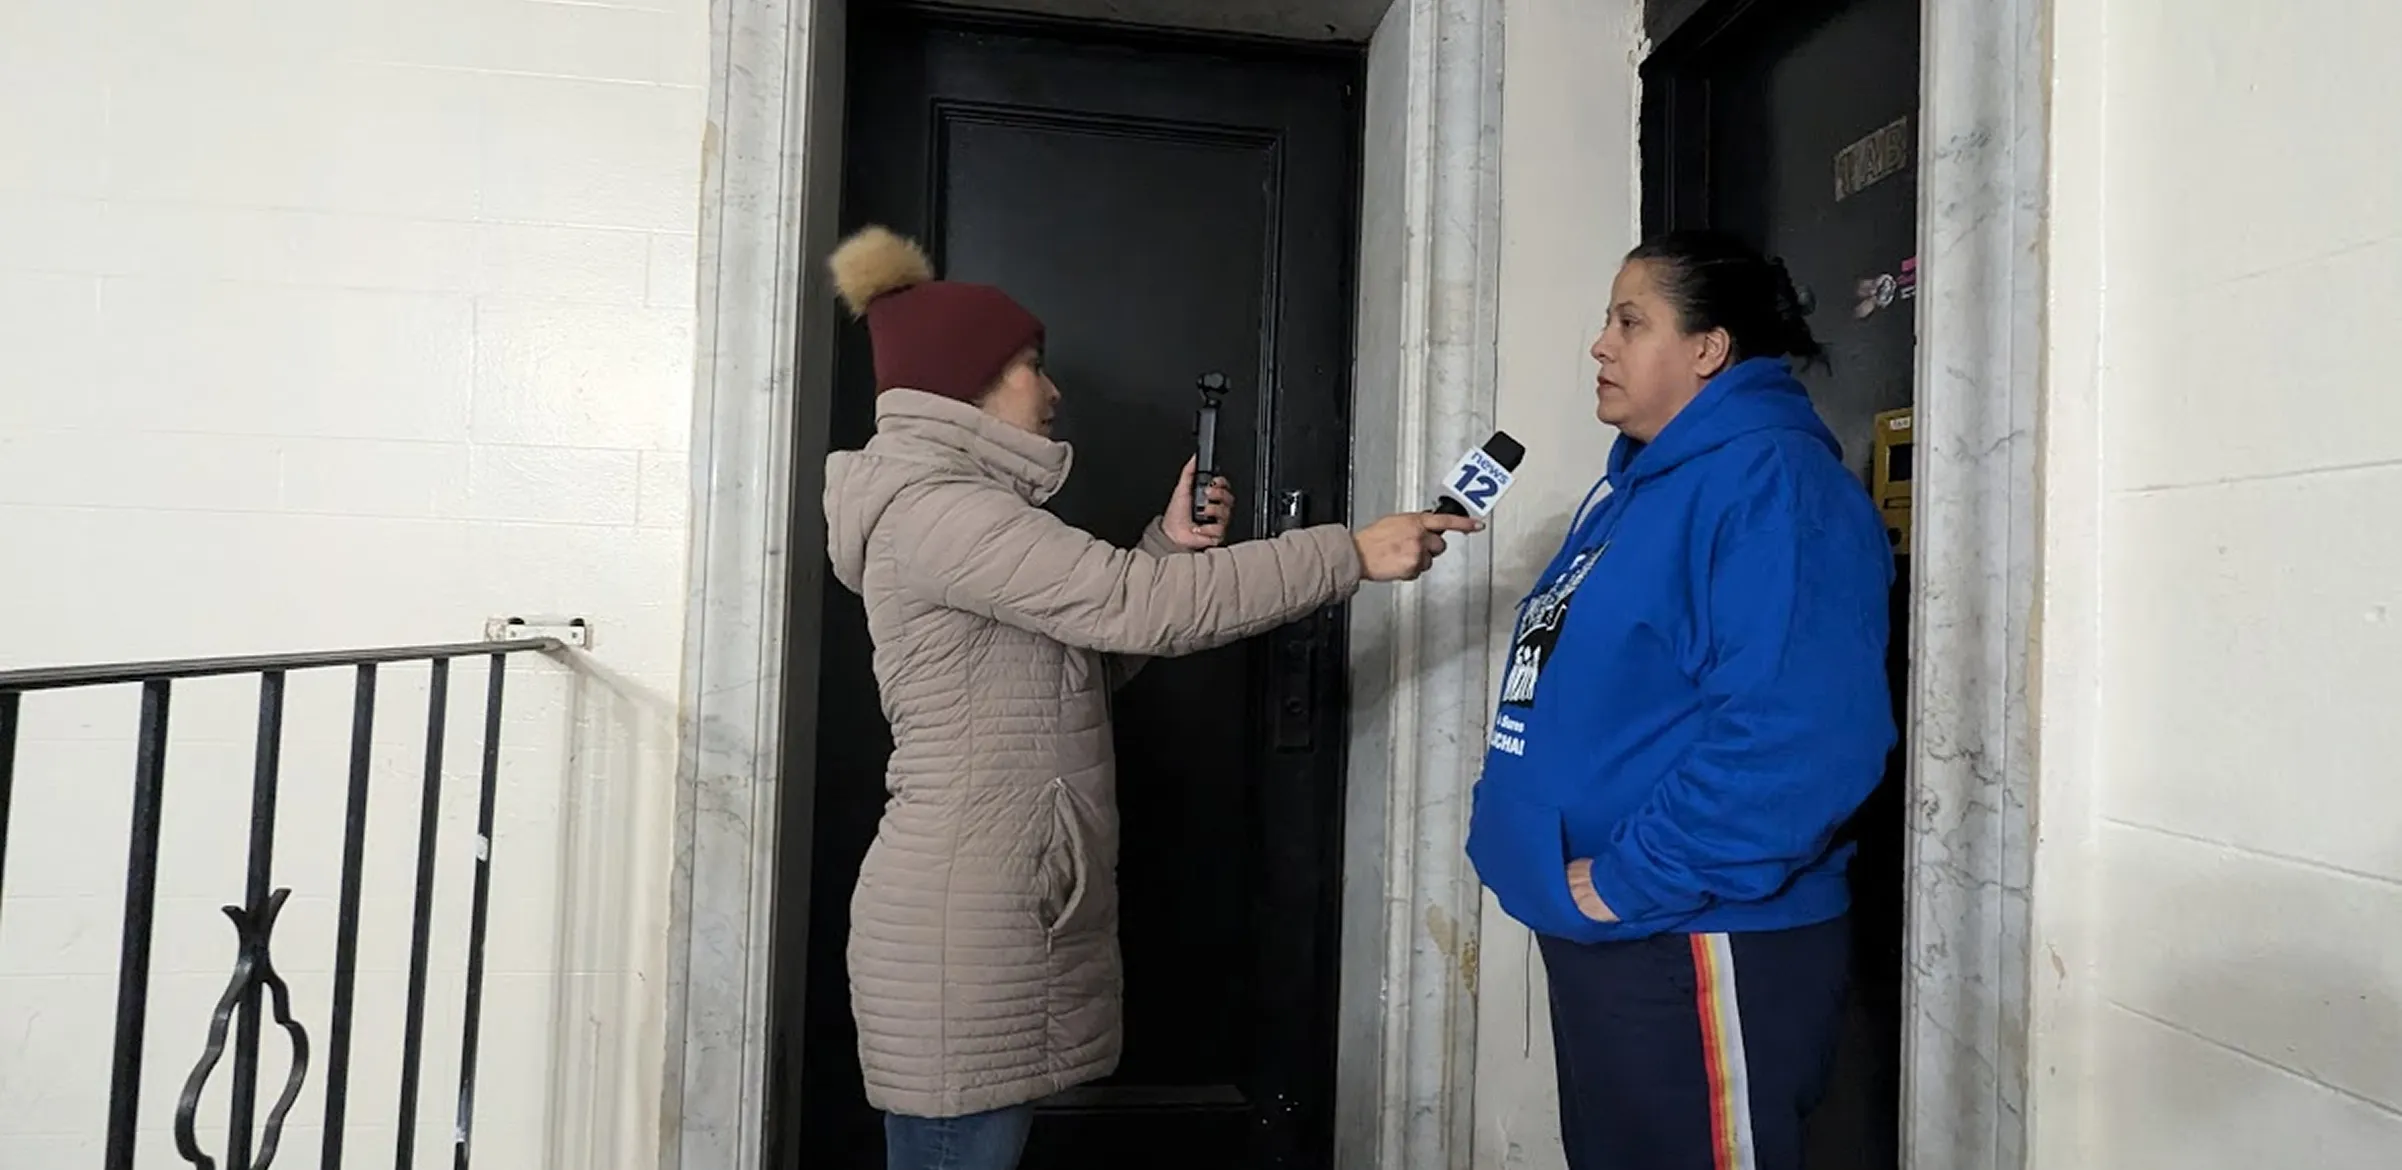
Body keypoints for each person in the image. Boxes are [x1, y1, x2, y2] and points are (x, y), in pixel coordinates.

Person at [821, 224, 1480, 1170]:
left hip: (976, 908)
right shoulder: (941, 511)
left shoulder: (957, 512)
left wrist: (1166, 548)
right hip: (957, 921)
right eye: (1030, 368)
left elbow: (1081, 657)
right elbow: (1140, 612)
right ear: (963, 385)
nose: (1051, 392)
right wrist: (1349, 552)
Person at [1464, 231, 1897, 1170]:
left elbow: (1801, 736)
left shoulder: (1773, 485)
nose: (1601, 344)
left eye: (1631, 321)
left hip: (1697, 934)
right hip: (1613, 935)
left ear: (1709, 349)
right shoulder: (1634, 491)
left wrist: (1628, 880)